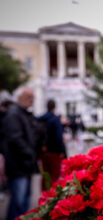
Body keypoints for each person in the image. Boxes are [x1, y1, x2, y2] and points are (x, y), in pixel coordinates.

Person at [1, 87, 39, 220]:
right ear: (19, 98)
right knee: (18, 202)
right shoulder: (14, 113)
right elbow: (15, 139)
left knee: (23, 202)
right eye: (29, 97)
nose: (32, 100)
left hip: (24, 165)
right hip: (18, 165)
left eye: (33, 98)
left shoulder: (22, 113)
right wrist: (29, 153)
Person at [38, 99, 67, 189]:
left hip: (43, 151)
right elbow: (59, 137)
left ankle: (44, 195)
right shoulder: (55, 120)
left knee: (45, 174)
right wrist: (63, 151)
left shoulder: (40, 119)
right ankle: (52, 196)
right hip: (54, 151)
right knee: (55, 175)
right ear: (54, 107)